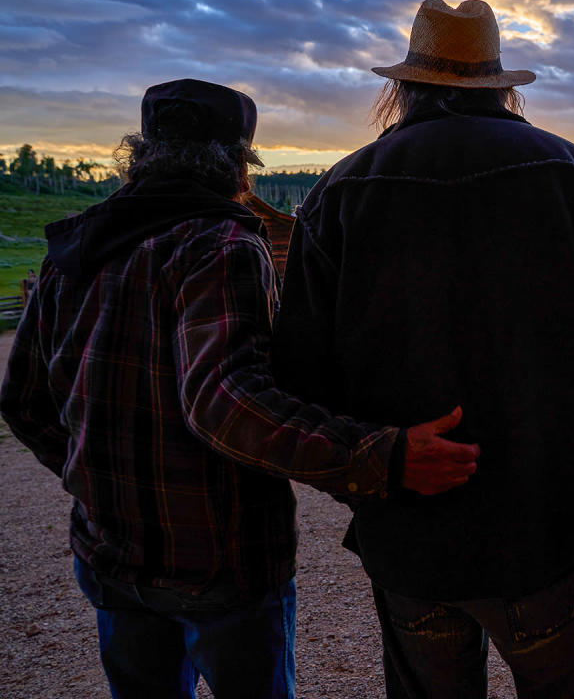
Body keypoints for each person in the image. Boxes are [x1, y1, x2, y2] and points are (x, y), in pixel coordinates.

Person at [0, 78, 479, 699]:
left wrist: (90, 476)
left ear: (142, 153)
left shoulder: (76, 248)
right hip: (221, 561)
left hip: (109, 552)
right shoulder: (220, 244)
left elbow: (24, 401)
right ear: (238, 164)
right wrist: (377, 455)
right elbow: (224, 402)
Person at [271, 0, 574, 699]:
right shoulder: (568, 173)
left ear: (403, 87)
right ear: (500, 84)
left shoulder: (339, 191)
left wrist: (374, 484)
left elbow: (299, 383)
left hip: (412, 545)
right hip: (544, 536)